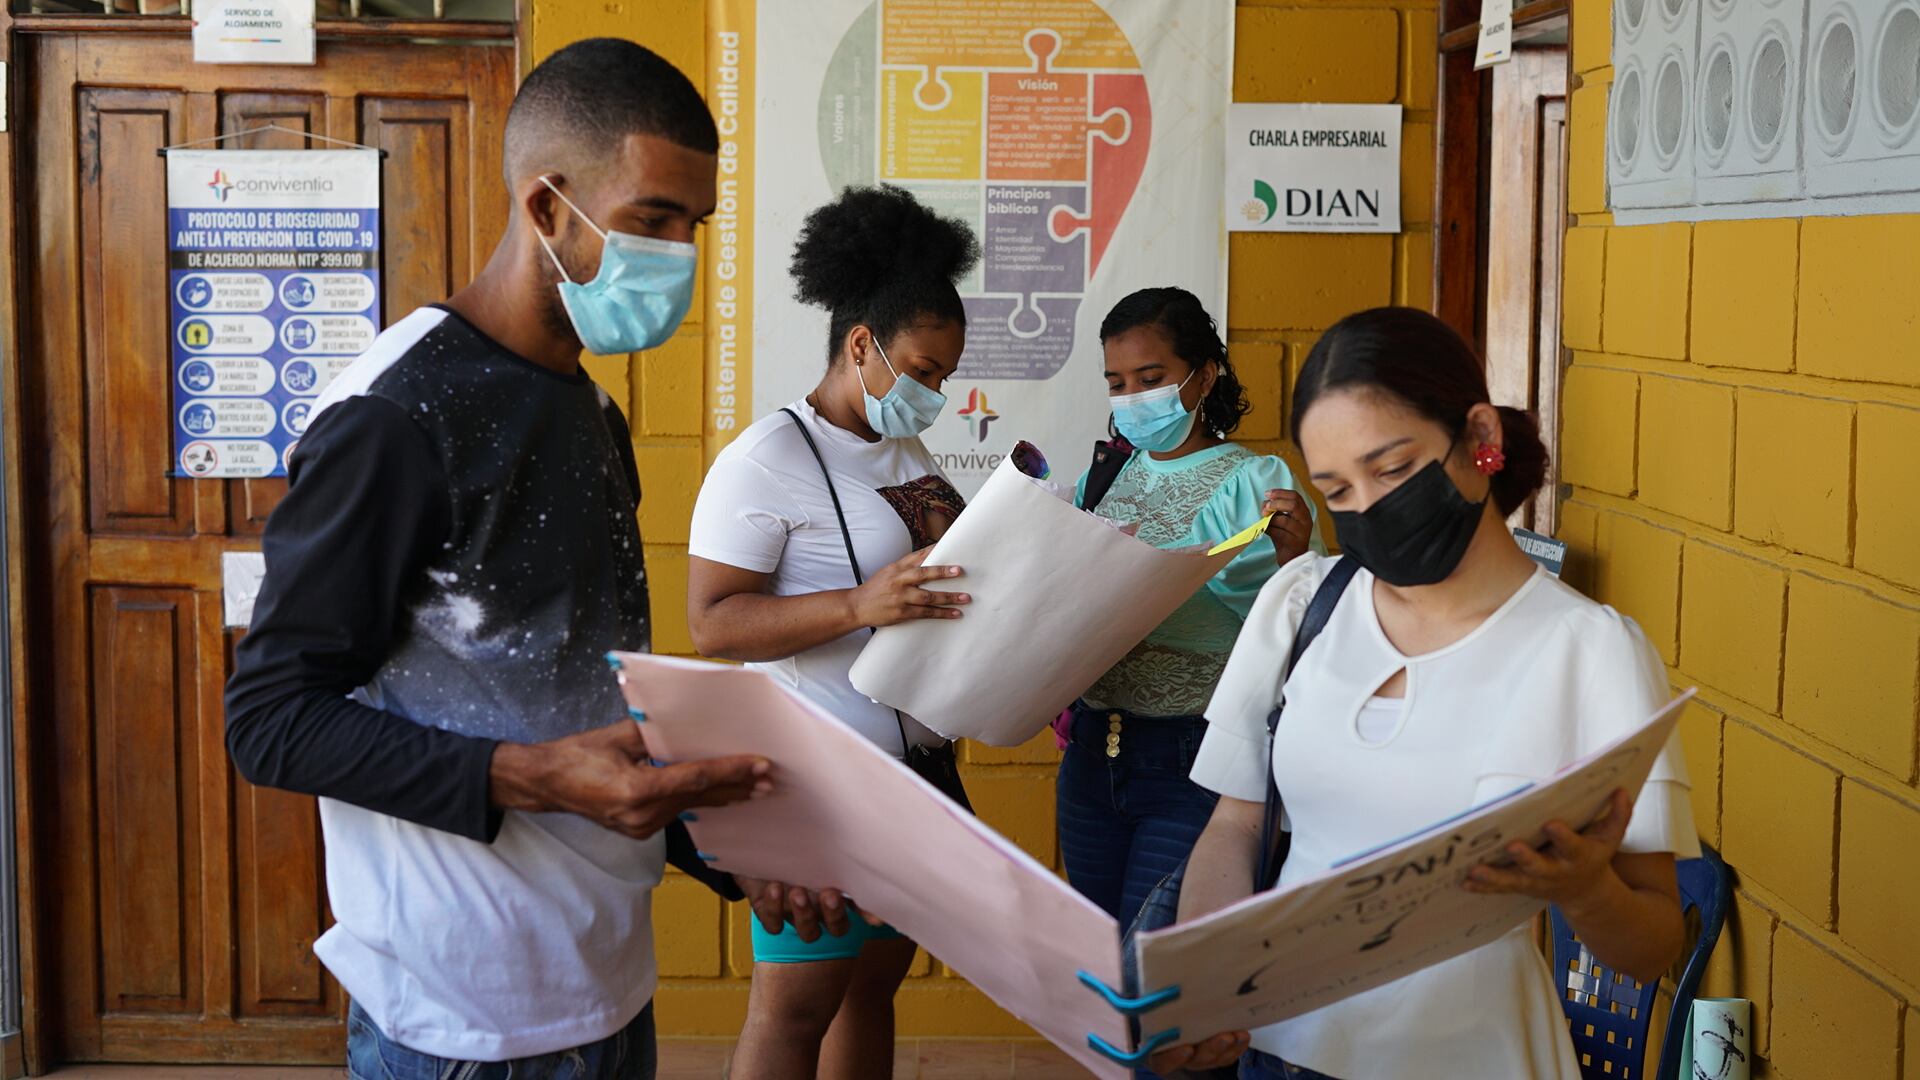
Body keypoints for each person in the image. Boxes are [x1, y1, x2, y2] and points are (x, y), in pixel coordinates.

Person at [225, 39, 807, 1080]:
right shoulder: (393, 417)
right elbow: (269, 722)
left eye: (694, 226)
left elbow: (580, 706)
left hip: (608, 980)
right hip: (461, 1021)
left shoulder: (592, 413)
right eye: (651, 221)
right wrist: (523, 776)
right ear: (546, 207)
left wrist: (722, 848)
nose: (679, 254)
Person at [1151, 307, 1699, 1080]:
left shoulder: (1591, 649)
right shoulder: (1303, 603)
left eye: (1394, 469)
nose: (1368, 507)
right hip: (1280, 1055)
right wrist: (1201, 997)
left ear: (1480, 437)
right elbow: (1235, 829)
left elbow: (1652, 947)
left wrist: (1586, 891)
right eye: (1336, 488)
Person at [685, 185, 980, 1080]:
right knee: (794, 1009)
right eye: (924, 371)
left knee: (873, 988)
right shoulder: (766, 458)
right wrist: (858, 606)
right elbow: (712, 622)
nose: (935, 392)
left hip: (919, 772)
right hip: (818, 777)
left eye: (944, 376)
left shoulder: (906, 452)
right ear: (863, 345)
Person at [1056, 286, 1324, 933]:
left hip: (1194, 761)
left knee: (1158, 973)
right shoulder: (1105, 476)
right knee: (1097, 971)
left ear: (1203, 376)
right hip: (1092, 758)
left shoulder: (1254, 481)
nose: (1133, 398)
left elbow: (1304, 625)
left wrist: (1293, 561)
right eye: (1117, 383)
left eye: (1152, 378)